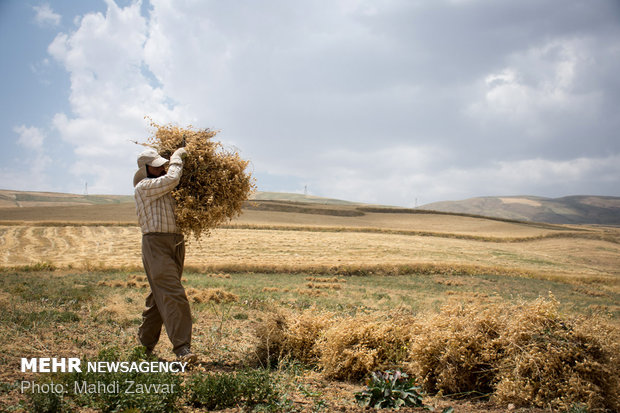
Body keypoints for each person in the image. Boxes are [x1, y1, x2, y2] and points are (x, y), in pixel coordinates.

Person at [132, 147, 197, 363]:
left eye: (163, 164)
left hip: (175, 243)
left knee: (159, 295)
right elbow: (172, 179)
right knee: (173, 293)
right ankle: (182, 349)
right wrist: (177, 157)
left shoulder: (163, 190)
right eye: (156, 165)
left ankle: (144, 347)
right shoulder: (144, 187)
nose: (161, 168)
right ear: (145, 169)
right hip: (156, 245)